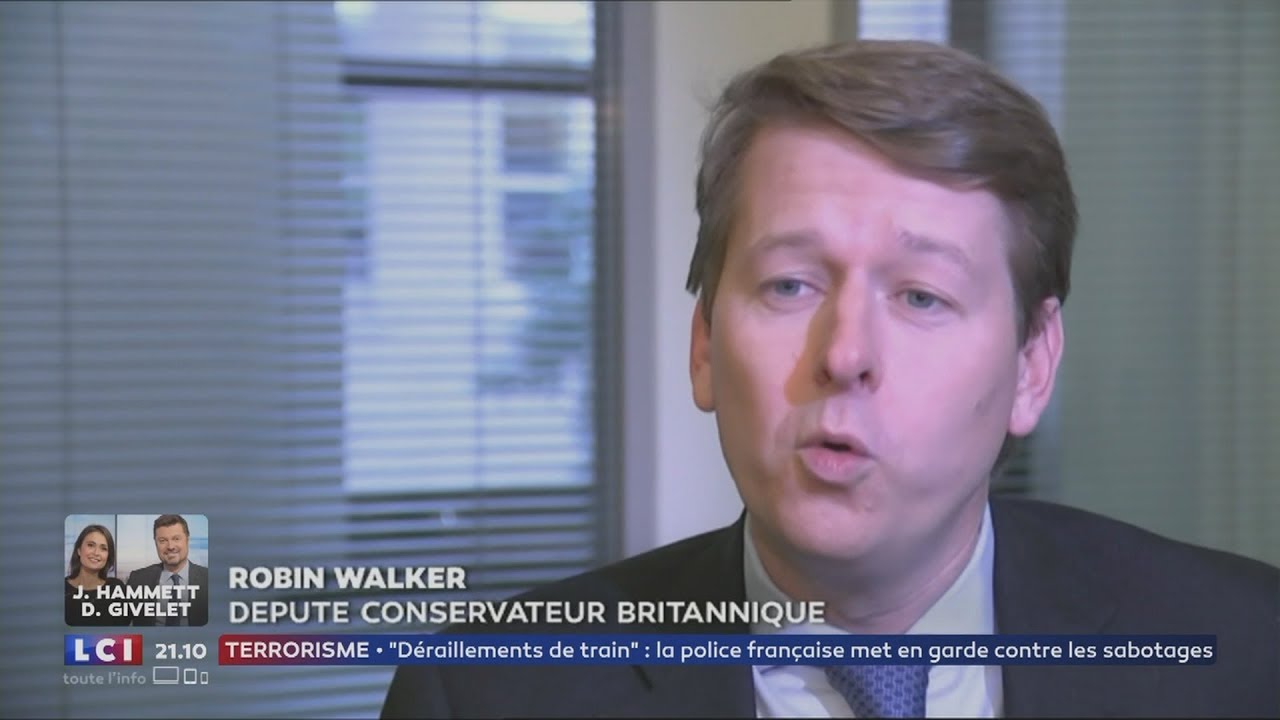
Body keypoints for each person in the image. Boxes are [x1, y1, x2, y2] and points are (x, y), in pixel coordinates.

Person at [382, 40, 1279, 718]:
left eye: (922, 296)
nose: (845, 353)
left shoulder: (1248, 653)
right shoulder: (489, 692)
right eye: (790, 286)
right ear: (704, 344)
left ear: (1031, 364)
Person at [125, 514, 209, 627]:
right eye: (163, 540)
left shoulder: (209, 579)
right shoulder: (138, 579)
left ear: (187, 540)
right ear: (156, 544)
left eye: (176, 539)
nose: (170, 546)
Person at [64, 523, 130, 627]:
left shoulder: (116, 589)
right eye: (91, 545)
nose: (96, 553)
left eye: (103, 548)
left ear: (108, 556)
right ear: (79, 550)